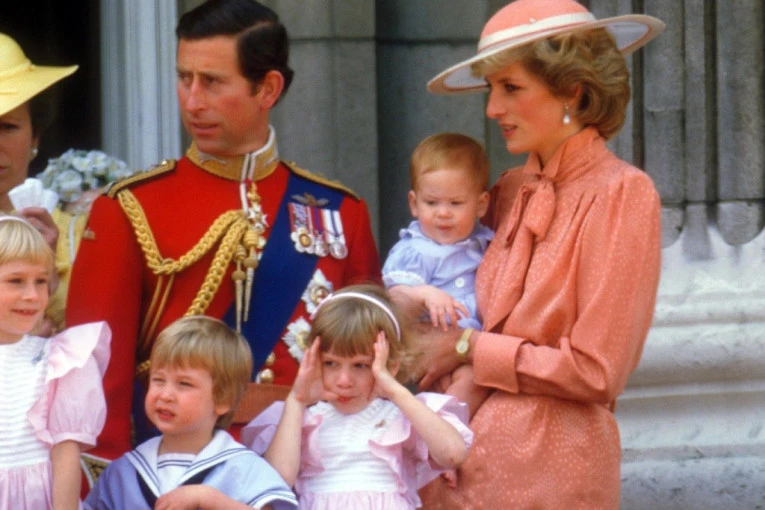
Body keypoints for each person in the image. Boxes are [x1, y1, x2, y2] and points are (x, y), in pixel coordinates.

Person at [66, 0, 381, 484]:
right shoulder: (129, 207)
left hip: (314, 473)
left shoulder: (340, 211)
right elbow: (94, 372)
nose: (192, 101)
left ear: (268, 88)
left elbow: (369, 357)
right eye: (184, 78)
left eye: (212, 82)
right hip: (172, 471)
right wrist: (110, 487)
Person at [409, 0, 666, 508]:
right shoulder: (505, 191)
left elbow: (597, 370)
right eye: (491, 89)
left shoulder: (623, 193)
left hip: (552, 479)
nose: (491, 109)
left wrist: (469, 348)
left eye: (511, 87)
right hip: (452, 479)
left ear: (573, 89)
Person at [242, 284, 473, 509]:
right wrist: (297, 401)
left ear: (390, 366)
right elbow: (279, 482)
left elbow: (453, 455)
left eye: (360, 366)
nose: (344, 380)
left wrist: (395, 390)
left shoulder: (399, 419)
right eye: (330, 363)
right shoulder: (300, 420)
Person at [84, 316, 297, 510]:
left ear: (223, 399)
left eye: (184, 384)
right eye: (158, 380)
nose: (165, 395)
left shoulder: (243, 468)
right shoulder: (124, 472)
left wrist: (210, 499)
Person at [0, 215, 110, 510]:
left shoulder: (59, 362)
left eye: (41, 281)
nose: (32, 295)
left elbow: (66, 456)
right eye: (16, 281)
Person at [0, 32, 79, 334]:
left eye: (7, 127)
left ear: (35, 137)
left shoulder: (76, 237)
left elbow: (95, 339)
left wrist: (47, 274)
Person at [383, 132, 493, 332]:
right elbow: (394, 303)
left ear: (481, 205)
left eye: (455, 203)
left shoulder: (484, 243)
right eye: (431, 203)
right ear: (414, 203)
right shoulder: (416, 252)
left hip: (474, 341)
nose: (443, 213)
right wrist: (422, 294)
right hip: (426, 341)